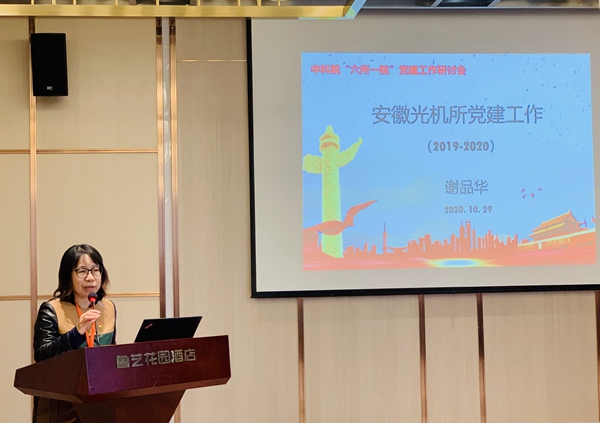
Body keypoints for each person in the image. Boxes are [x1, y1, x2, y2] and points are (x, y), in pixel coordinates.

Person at [32, 244, 117, 423]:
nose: (90, 277)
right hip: (61, 404)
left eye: (96, 270)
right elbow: (42, 355)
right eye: (82, 271)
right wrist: (76, 333)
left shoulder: (108, 307)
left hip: (98, 401)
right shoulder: (52, 309)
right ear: (68, 276)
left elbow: (110, 351)